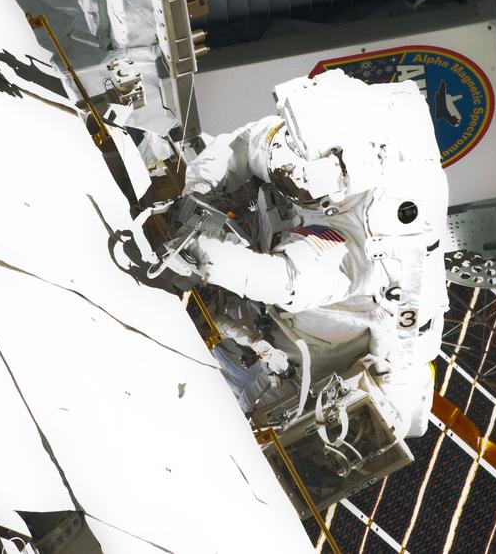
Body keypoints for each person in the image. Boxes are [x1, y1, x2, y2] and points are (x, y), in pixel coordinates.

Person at [179, 70, 448, 439]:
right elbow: (244, 144)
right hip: (257, 310)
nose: (286, 176)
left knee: (192, 409)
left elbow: (283, 280)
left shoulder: (367, 243)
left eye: (296, 179)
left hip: (281, 367)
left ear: (341, 179)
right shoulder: (312, 137)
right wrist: (198, 193)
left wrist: (198, 243)